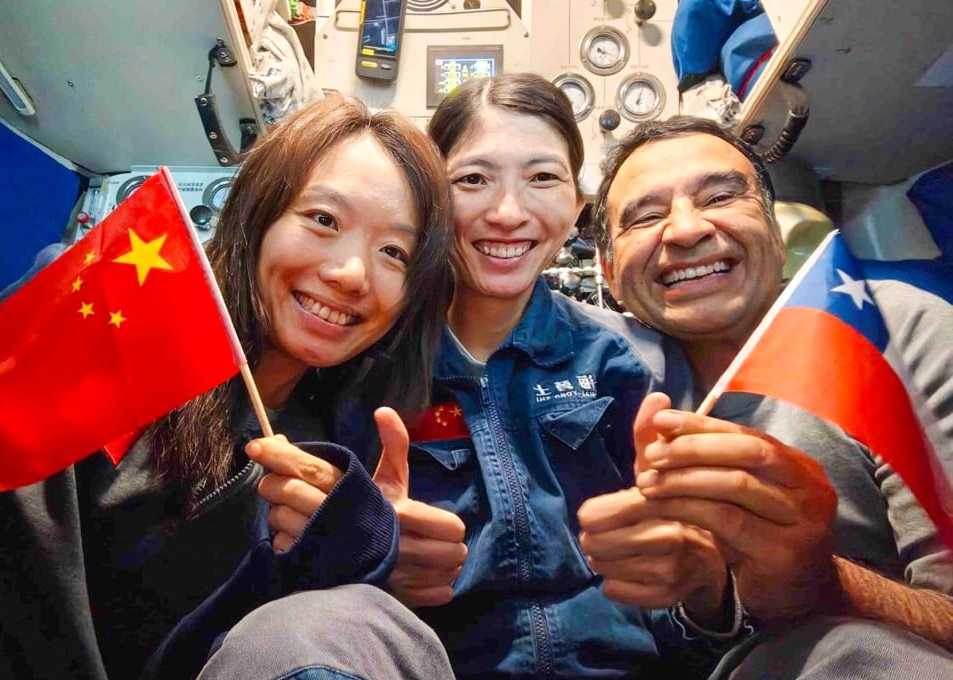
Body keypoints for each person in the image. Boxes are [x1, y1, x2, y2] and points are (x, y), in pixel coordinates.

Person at [0, 95, 456, 680]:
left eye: (393, 252)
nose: (351, 274)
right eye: (323, 220)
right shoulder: (102, 311)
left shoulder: (338, 453)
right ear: (258, 216)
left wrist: (357, 551)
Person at [360, 72, 727, 677]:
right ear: (429, 202)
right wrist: (367, 558)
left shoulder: (632, 359)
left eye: (543, 178)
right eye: (473, 180)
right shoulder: (372, 365)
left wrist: (699, 583)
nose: (508, 212)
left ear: (576, 208)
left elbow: (694, 587)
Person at [591, 115, 953, 676]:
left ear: (776, 233)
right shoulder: (595, 392)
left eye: (719, 196)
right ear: (610, 274)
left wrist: (820, 584)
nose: (686, 230)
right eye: (646, 215)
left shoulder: (893, 330)